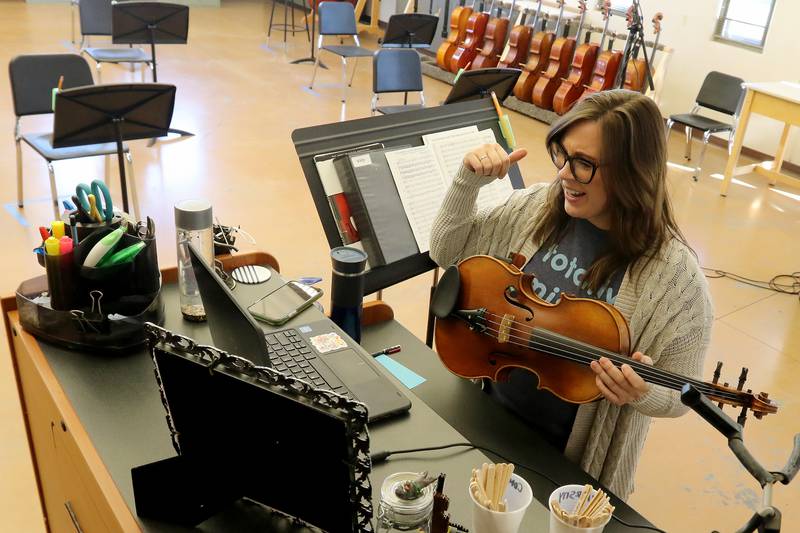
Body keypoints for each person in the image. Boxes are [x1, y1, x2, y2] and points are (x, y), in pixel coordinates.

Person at [429, 90, 713, 500]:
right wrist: (466, 181)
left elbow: (686, 394)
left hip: (568, 471)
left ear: (634, 173)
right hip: (485, 421)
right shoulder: (538, 207)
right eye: (562, 154)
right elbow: (447, 250)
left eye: (583, 164)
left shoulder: (676, 280)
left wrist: (643, 392)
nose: (564, 173)